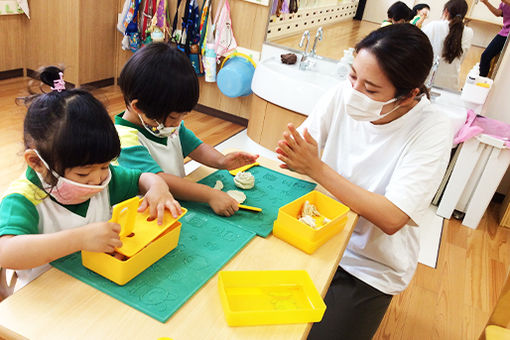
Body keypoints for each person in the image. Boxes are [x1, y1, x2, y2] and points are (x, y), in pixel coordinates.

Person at [275, 24, 452, 340]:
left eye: (371, 90)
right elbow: (298, 154)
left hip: (369, 267)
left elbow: (392, 216)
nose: (354, 92)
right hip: (316, 235)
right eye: (352, 75)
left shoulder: (432, 128)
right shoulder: (342, 94)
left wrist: (316, 168)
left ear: (410, 93)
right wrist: (296, 157)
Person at [0, 67, 182, 292]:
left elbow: (143, 178)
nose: (97, 180)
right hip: (44, 301)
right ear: (37, 162)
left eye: (105, 166)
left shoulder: (105, 178)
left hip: (95, 287)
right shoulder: (24, 199)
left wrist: (157, 187)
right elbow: (5, 252)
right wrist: (79, 239)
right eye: (83, 174)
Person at [115, 43, 258, 217]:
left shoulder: (165, 125)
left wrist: (221, 161)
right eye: (175, 117)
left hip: (176, 202)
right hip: (148, 214)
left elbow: (195, 146)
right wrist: (209, 195)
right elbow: (160, 179)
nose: (178, 124)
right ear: (139, 107)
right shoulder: (123, 140)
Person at [422, 0, 473, 90]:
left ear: (446, 11)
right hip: (451, 85)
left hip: (427, 82)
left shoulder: (434, 25)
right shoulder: (469, 32)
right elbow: (461, 59)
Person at [479, 0, 510, 77]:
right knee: (485, 56)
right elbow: (498, 13)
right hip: (504, 33)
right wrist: (486, 2)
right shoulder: (503, 3)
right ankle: (481, 80)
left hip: (508, 35)